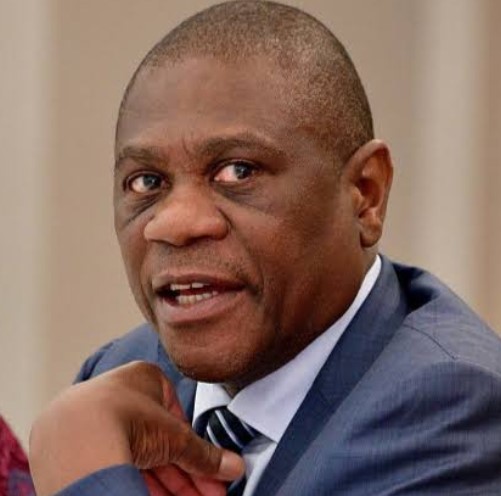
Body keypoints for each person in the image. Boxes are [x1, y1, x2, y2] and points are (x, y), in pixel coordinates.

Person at [29, 1, 501, 495]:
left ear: (365, 194)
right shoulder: (119, 377)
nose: (174, 223)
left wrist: (80, 467)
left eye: (238, 171)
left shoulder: (452, 411)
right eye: (147, 181)